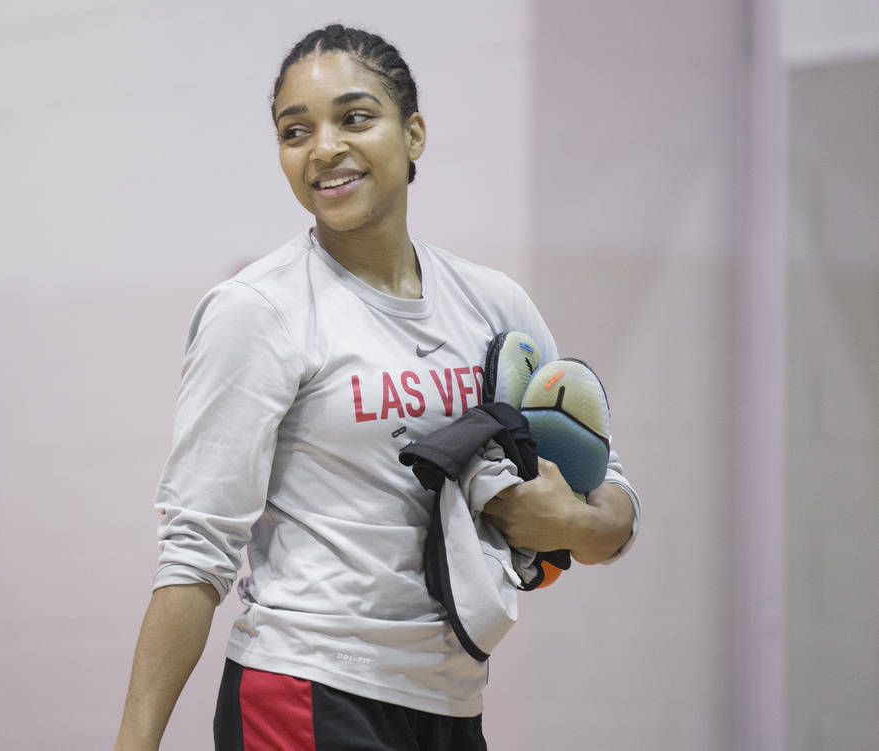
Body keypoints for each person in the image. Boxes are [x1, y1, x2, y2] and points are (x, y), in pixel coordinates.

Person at [114, 24, 639, 751]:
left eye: (354, 117)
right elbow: (194, 553)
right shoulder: (258, 311)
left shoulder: (494, 304)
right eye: (295, 131)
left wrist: (572, 525)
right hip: (303, 687)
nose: (324, 147)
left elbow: (612, 504)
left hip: (451, 703)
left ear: (414, 133)